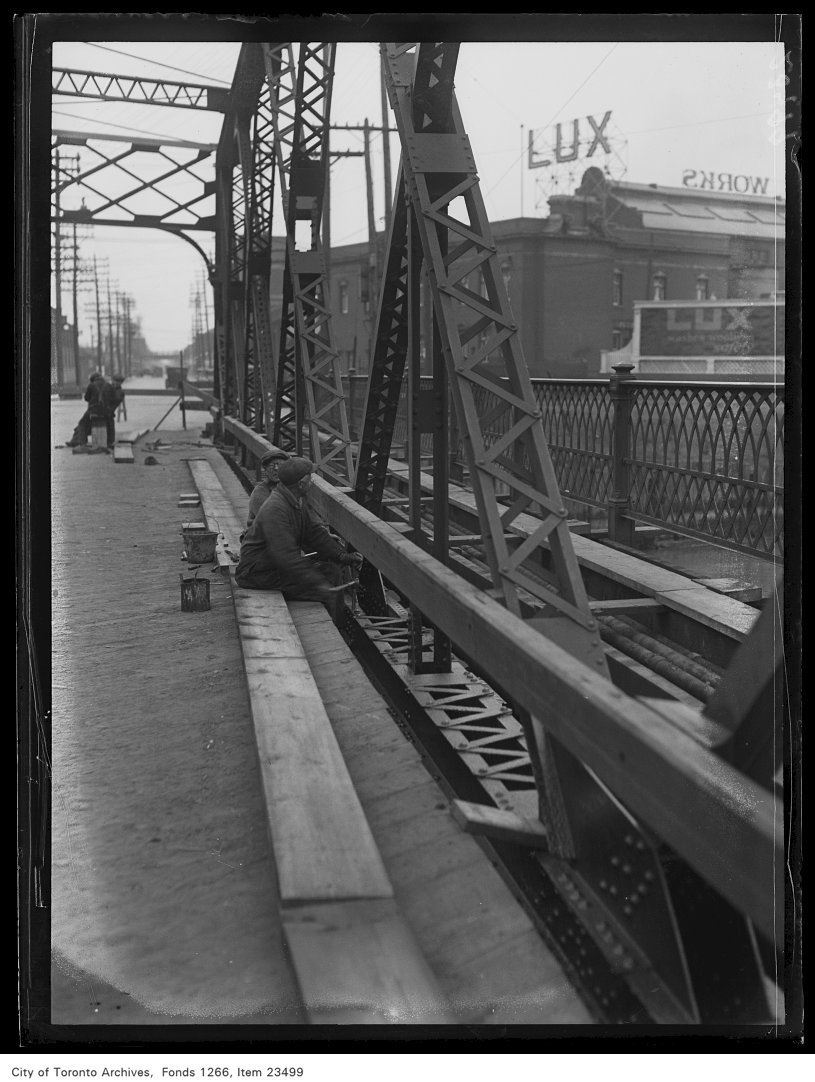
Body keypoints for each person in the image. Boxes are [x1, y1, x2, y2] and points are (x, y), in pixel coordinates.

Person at [235, 456, 363, 610]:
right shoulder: (275, 509)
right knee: (327, 585)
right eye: (310, 480)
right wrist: (319, 584)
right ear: (301, 484)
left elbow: (313, 533)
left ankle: (338, 619)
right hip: (256, 573)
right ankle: (333, 627)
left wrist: (341, 555)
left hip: (270, 566)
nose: (312, 483)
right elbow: (287, 557)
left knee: (331, 572)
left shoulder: (295, 499)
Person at [246, 447, 289, 530]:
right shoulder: (259, 492)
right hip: (260, 538)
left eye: (280, 465)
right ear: (265, 470)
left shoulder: (288, 488)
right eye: (272, 466)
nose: (276, 469)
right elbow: (270, 522)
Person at [65, 373, 105, 447]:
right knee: (83, 424)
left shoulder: (92, 385)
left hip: (93, 410)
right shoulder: (107, 385)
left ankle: (81, 443)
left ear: (92, 380)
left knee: (81, 424)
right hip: (105, 411)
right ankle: (74, 441)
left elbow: (86, 398)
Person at [101, 375, 126, 447]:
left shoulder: (120, 391)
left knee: (110, 424)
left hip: (110, 410)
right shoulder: (109, 387)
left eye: (117, 382)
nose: (114, 383)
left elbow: (115, 400)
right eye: (114, 381)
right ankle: (108, 441)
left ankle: (110, 442)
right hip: (106, 409)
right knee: (109, 424)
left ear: (120, 383)